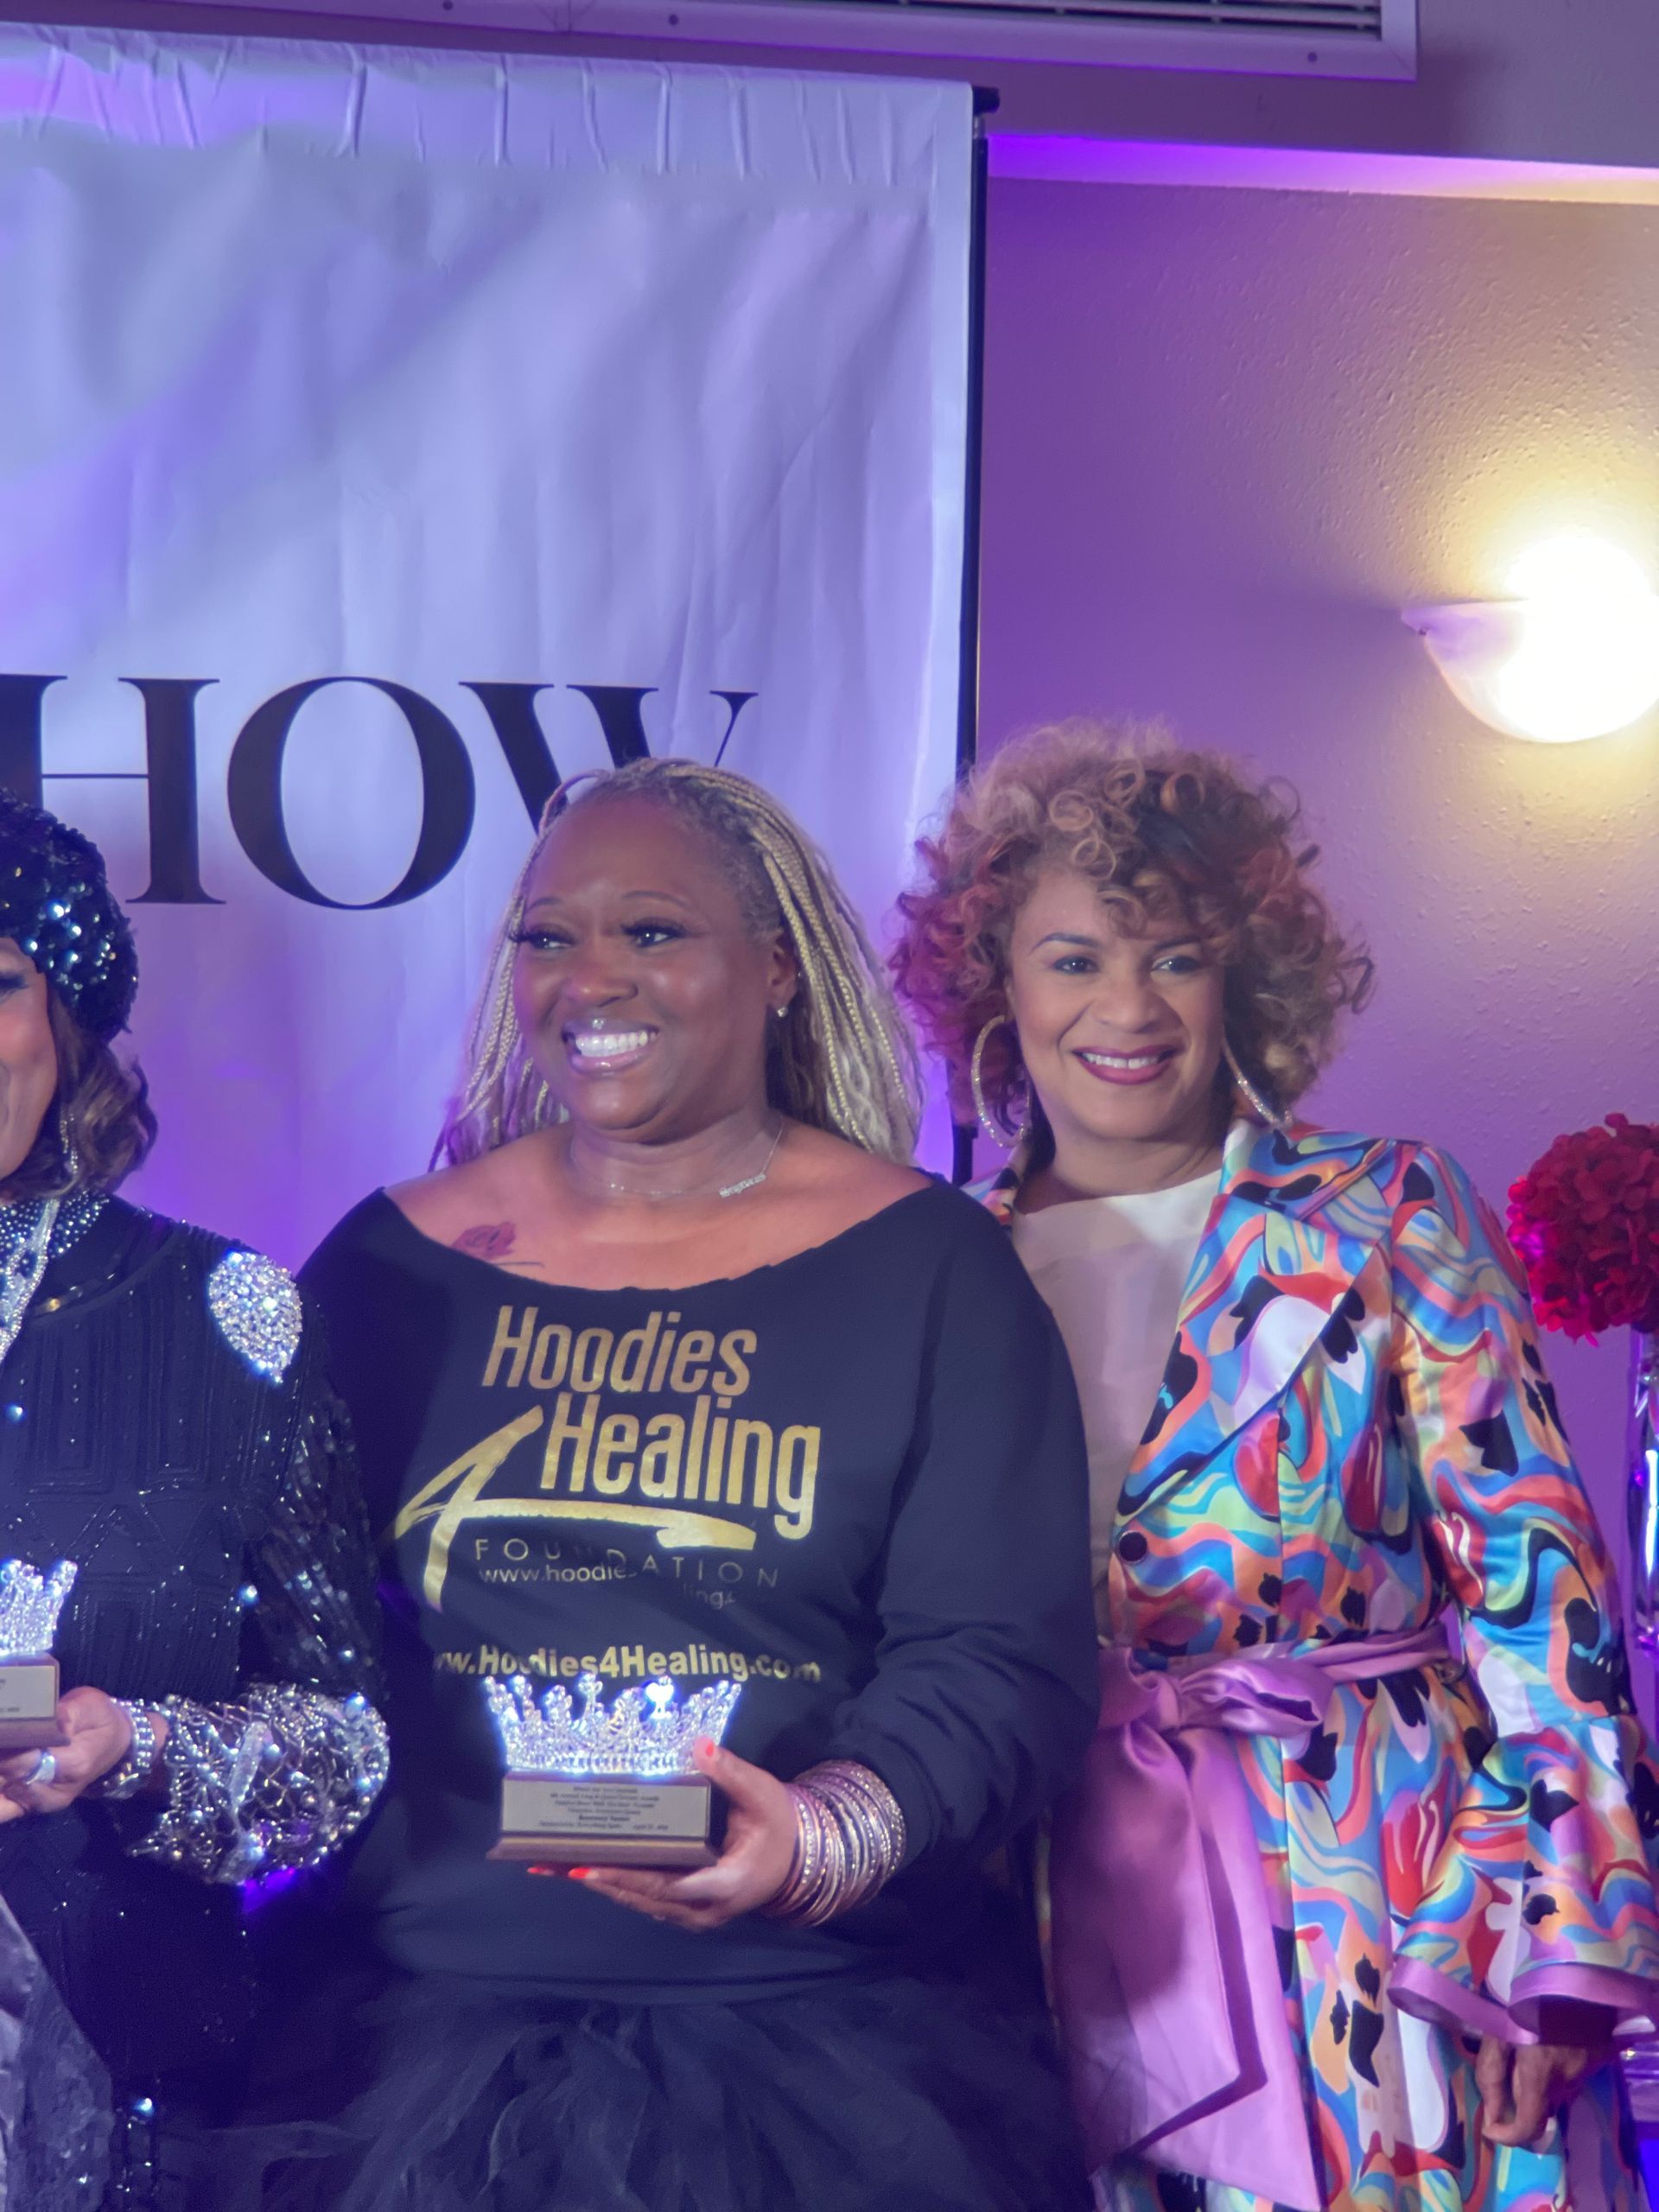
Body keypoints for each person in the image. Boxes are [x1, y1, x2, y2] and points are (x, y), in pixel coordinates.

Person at [276, 757, 1099, 2212]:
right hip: (412, 2028)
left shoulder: (929, 1270)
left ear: (777, 968)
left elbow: (998, 1660)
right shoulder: (387, 1262)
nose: (591, 978)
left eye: (651, 931)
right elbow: (279, 1625)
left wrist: (823, 1835)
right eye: (549, 936)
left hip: (812, 2042)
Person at [891, 721, 1659, 2212]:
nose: (1127, 1007)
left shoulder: (1386, 1208)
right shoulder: (932, 1262)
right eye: (1073, 959)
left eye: (1174, 957)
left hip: (1382, 1898)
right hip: (1041, 1910)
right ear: (994, 988)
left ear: (1243, 978)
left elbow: (1537, 1583)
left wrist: (1563, 1931)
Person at [0, 792, 390, 2210]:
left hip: (141, 2103)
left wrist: (139, 1748)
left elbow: (346, 1740)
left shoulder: (229, 1317)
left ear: (67, 1019)